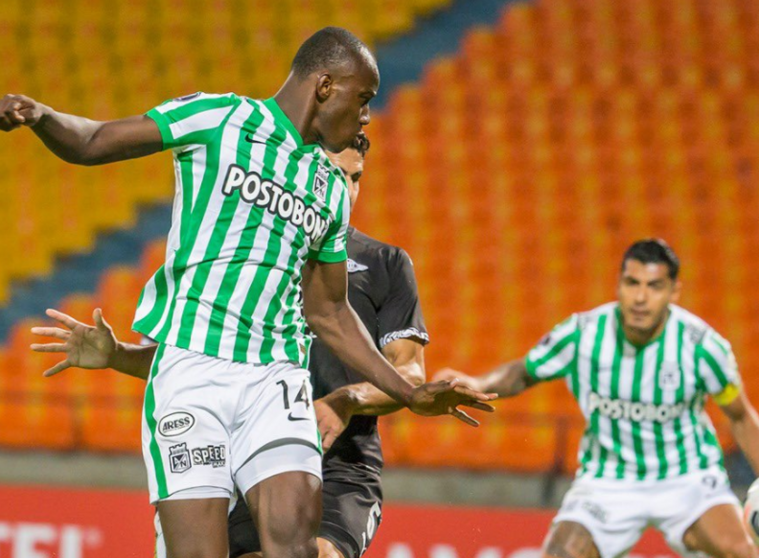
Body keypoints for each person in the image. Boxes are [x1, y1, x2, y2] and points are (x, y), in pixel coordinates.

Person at [3, 26, 495, 558]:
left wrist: (410, 392)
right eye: (364, 98)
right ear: (325, 86)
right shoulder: (221, 119)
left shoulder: (329, 188)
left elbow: (329, 310)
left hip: (274, 381)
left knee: (298, 550)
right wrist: (42, 116)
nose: (367, 116)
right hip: (192, 374)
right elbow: (94, 140)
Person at [32, 133, 427, 558]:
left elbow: (410, 374)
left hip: (341, 467)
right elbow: (201, 360)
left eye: (355, 178)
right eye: (334, 175)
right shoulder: (252, 256)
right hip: (246, 456)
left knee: (318, 554)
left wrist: (344, 400)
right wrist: (117, 356)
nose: (346, 191)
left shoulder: (386, 264)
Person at [436, 239, 759, 558]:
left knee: (740, 552)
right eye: (632, 283)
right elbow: (523, 372)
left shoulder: (703, 346)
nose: (640, 298)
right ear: (619, 285)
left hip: (686, 476)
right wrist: (474, 382)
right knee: (560, 552)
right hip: (608, 479)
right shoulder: (583, 333)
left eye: (654, 286)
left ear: (674, 291)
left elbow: (741, 416)